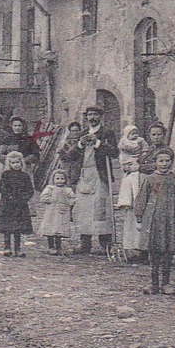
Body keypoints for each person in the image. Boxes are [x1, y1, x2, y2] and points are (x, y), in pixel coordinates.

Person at [64, 105, 120, 254]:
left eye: (95, 115)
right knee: (84, 209)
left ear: (100, 117)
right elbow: (70, 155)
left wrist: (98, 142)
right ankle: (85, 243)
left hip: (100, 174)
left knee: (101, 208)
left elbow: (114, 152)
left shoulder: (107, 133)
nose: (92, 118)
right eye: (89, 115)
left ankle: (105, 244)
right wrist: (80, 144)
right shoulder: (82, 133)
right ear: (86, 117)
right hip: (84, 175)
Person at [134, 146, 175, 295]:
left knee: (168, 253)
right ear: (155, 162)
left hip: (170, 222)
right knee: (154, 252)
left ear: (171, 162)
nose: (164, 164)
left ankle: (166, 283)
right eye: (161, 161)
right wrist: (139, 218)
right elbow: (141, 199)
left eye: (167, 161)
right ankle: (153, 283)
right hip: (154, 221)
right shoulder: (150, 180)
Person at [0, 150, 35, 257]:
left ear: (21, 163)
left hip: (20, 205)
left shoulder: (25, 176)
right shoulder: (6, 175)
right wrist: (9, 197)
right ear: (9, 164)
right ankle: (7, 247)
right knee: (7, 227)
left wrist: (24, 198)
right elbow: (2, 188)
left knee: (18, 228)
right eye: (13, 163)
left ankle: (17, 248)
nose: (16, 165)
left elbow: (30, 190)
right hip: (8, 204)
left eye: (18, 162)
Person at [38, 167, 76, 255]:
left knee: (59, 229)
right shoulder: (50, 188)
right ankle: (51, 246)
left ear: (65, 180)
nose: (60, 181)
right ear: (53, 179)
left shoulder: (67, 190)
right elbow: (43, 197)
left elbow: (73, 198)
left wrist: (68, 202)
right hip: (52, 211)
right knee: (50, 228)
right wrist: (50, 200)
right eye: (57, 179)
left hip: (62, 212)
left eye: (62, 179)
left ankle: (58, 247)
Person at [114, 157, 145, 261]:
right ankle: (129, 250)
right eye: (125, 165)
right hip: (129, 207)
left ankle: (139, 249)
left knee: (138, 227)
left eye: (130, 164)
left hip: (136, 205)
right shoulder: (127, 176)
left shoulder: (138, 176)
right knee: (129, 227)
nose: (127, 167)